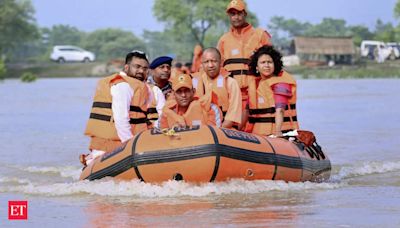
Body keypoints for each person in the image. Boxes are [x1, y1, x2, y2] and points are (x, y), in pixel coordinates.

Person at [82, 50, 151, 165]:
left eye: (144, 68)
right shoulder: (122, 85)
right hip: (109, 148)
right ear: (126, 67)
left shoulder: (139, 87)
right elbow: (120, 118)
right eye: (137, 67)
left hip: (122, 145)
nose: (141, 71)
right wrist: (130, 146)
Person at [217, 0, 272, 127]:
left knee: (256, 127)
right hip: (233, 93)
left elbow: (273, 62)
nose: (236, 17)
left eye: (239, 13)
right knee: (236, 128)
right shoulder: (224, 40)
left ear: (245, 14)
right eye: (232, 14)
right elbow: (219, 68)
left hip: (257, 91)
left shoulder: (260, 35)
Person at [247, 45, 299, 136]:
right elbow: (247, 111)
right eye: (263, 62)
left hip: (280, 133)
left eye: (270, 62)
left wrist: (278, 131)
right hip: (258, 135)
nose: (267, 65)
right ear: (257, 67)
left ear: (275, 65)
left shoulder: (281, 83)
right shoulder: (255, 85)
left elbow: (280, 110)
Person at [200, 47, 242, 129]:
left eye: (214, 61)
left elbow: (232, 116)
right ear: (202, 64)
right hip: (202, 130)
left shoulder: (231, 83)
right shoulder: (196, 83)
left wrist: (218, 132)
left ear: (221, 62)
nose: (210, 65)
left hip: (225, 130)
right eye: (206, 62)